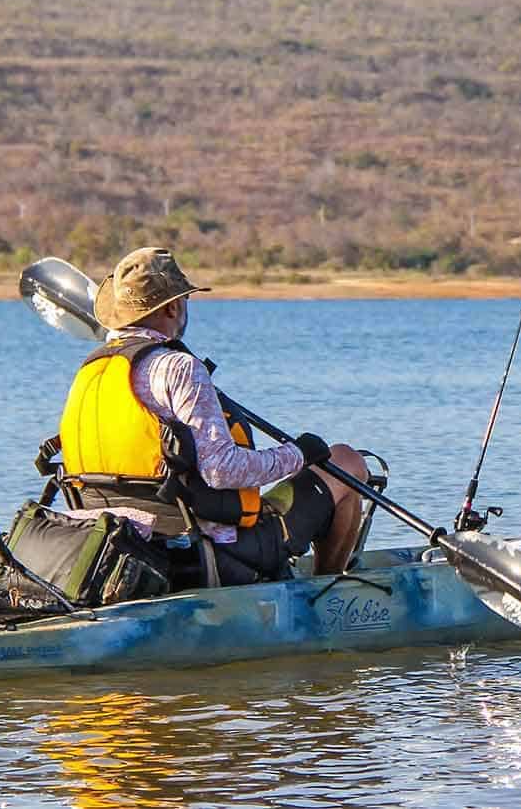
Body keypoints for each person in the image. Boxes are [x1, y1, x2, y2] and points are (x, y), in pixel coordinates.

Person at [56, 247, 369, 586]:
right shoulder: (179, 367)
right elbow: (221, 470)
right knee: (345, 461)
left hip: (114, 541)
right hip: (200, 551)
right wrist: (299, 455)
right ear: (174, 305)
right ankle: (328, 594)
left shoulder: (91, 370)